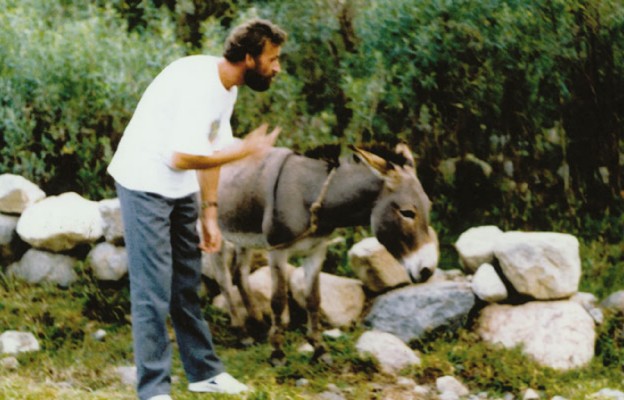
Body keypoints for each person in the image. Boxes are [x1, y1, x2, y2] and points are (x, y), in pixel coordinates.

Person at [107, 19, 287, 400]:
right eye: (272, 59)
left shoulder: (227, 87)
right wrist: (247, 149)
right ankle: (153, 389)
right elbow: (183, 155)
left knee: (186, 284)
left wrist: (209, 211)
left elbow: (212, 151)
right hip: (144, 182)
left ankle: (203, 372)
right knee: (152, 291)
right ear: (250, 58)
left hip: (180, 188)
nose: (277, 67)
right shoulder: (200, 86)